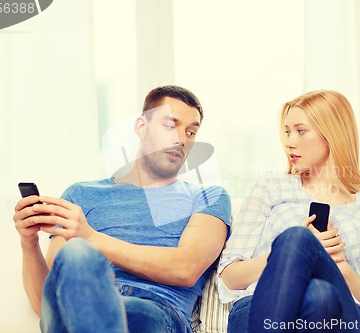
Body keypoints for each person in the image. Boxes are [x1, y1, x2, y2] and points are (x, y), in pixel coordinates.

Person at [13, 85, 232, 333]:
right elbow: (45, 305)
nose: (181, 140)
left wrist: (90, 237)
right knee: (76, 254)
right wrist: (28, 242)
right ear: (142, 127)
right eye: (171, 125)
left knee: (79, 250)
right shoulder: (81, 194)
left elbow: (186, 269)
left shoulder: (208, 197)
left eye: (191, 132)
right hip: (76, 308)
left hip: (153, 309)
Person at [217, 90, 360, 333]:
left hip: (343, 313)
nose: (289, 142)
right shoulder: (270, 187)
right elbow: (229, 277)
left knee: (325, 294)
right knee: (314, 280)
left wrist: (341, 268)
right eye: (287, 132)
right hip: (259, 306)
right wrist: (290, 253)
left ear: (332, 134)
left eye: (301, 131)